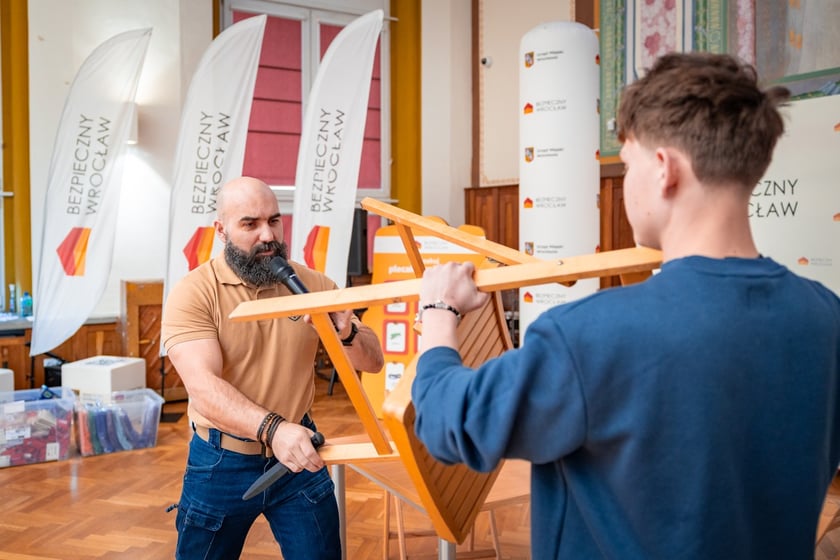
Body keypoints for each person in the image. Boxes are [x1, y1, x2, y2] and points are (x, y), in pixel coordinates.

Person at [411, 52, 840, 559]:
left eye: (628, 163)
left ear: (664, 170)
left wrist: (439, 312)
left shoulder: (591, 334)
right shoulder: (825, 316)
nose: (623, 184)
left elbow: (448, 421)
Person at [161, 176, 384, 559]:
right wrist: (273, 430)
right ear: (221, 230)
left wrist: (346, 334)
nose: (268, 235)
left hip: (299, 456)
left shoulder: (312, 284)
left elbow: (373, 361)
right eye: (250, 224)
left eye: (274, 220)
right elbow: (203, 387)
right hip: (220, 462)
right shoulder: (194, 293)